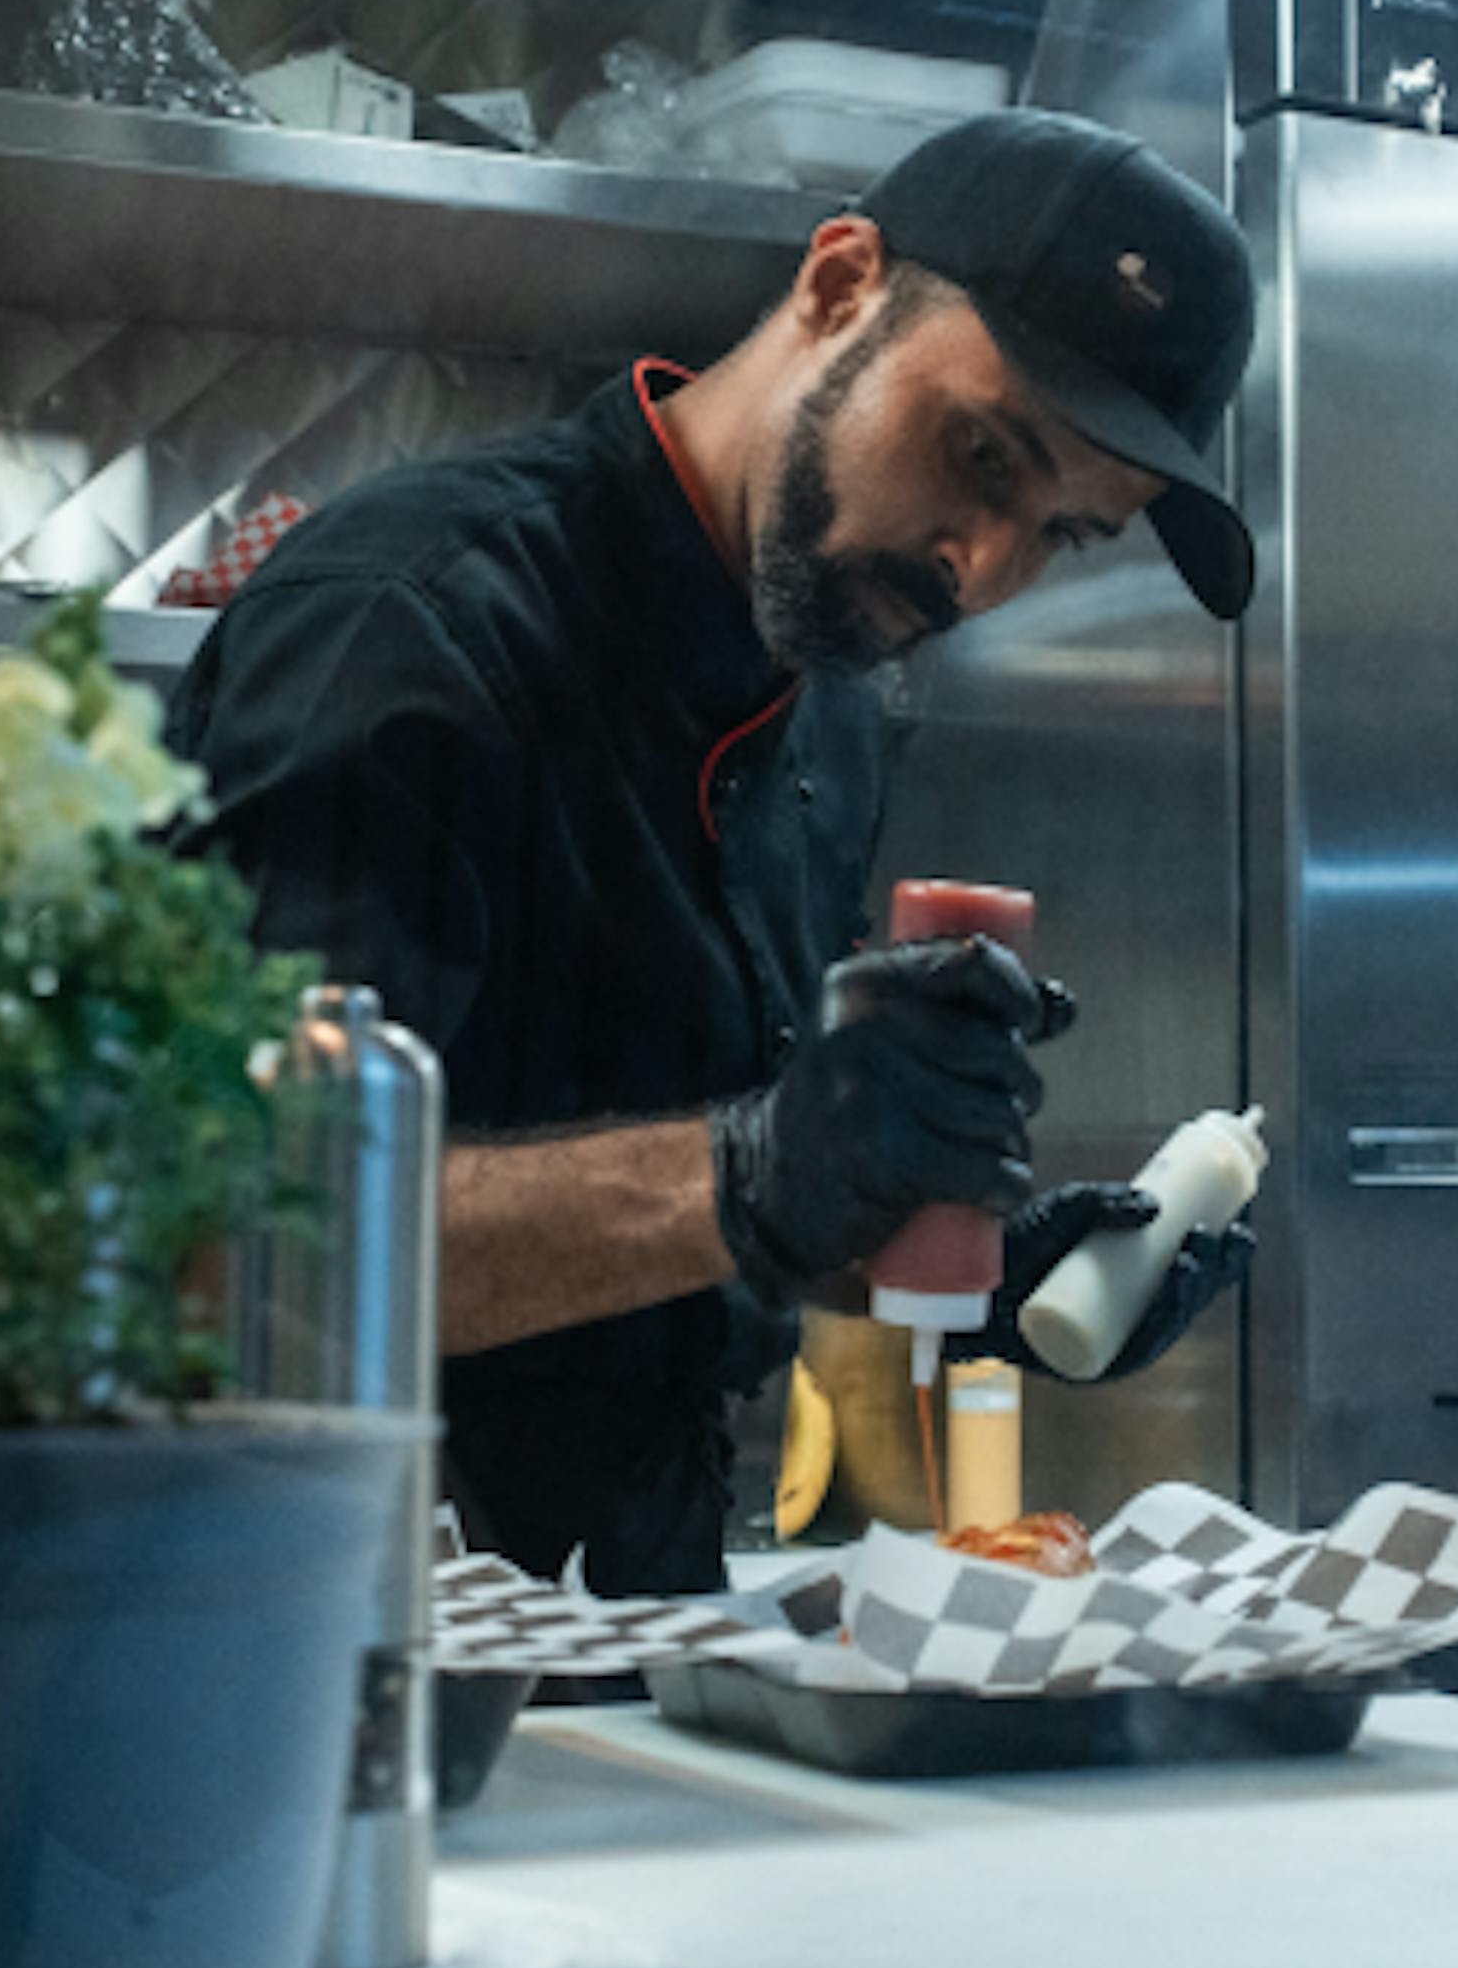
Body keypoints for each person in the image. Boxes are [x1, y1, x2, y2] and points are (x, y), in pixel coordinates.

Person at [168, 111, 1263, 1595]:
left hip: (639, 1625)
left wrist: (941, 1263)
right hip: (334, 1621)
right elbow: (228, 1244)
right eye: (982, 456)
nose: (981, 568)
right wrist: (748, 1174)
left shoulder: (837, 705)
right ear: (839, 286)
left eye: (1063, 536)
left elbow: (681, 1227)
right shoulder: (408, 628)